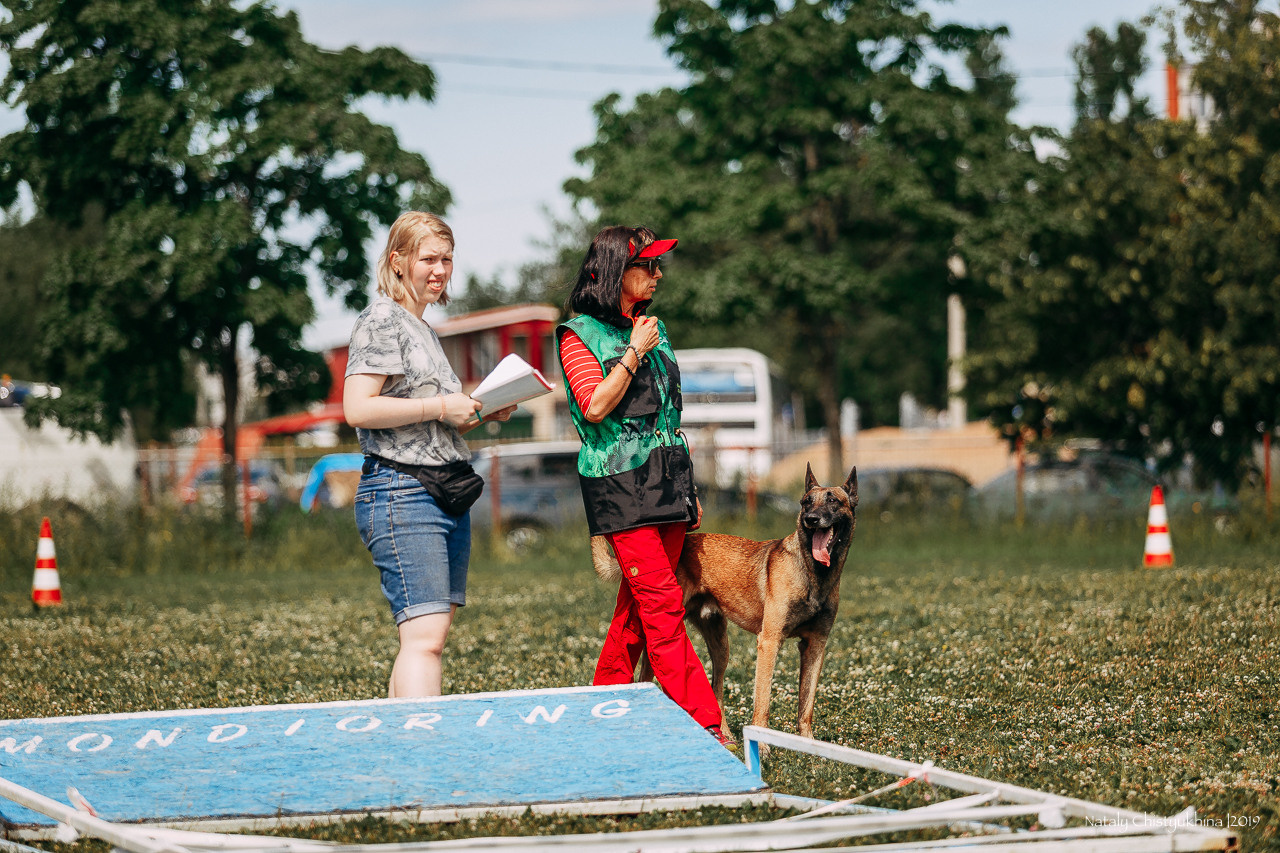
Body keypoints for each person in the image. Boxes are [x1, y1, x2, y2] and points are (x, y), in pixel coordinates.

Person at [557, 225, 731, 747]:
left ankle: (600, 709)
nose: (657, 275)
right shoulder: (577, 334)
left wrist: (688, 487)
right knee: (662, 609)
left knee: (636, 611)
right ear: (616, 271)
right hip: (620, 488)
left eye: (658, 266)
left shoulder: (652, 328)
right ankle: (708, 725)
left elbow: (668, 414)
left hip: (668, 484)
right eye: (646, 266)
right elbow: (593, 405)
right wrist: (632, 352)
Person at [344, 211, 514, 698]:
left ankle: (403, 751)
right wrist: (443, 404)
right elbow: (357, 408)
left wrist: (482, 410)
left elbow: (424, 418)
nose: (440, 270)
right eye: (428, 259)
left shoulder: (423, 329)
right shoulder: (382, 319)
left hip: (440, 490)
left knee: (424, 640)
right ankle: (424, 757)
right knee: (425, 639)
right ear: (397, 262)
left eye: (447, 260)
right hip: (401, 491)